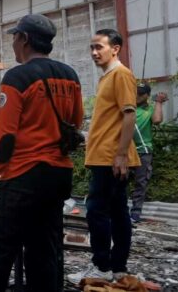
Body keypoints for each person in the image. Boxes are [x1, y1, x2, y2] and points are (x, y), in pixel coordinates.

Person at [0, 14, 84, 292]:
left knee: (1, 250)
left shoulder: (18, 77)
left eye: (14, 37)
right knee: (45, 251)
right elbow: (75, 123)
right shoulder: (70, 76)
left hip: (22, 176)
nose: (13, 43)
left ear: (24, 39)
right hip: (57, 176)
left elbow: (5, 136)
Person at [69, 29, 141, 283]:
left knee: (96, 211)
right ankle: (118, 268)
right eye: (92, 47)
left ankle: (102, 266)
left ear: (115, 49)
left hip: (111, 157)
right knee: (117, 211)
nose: (94, 52)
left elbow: (129, 114)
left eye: (99, 47)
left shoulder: (121, 74)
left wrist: (121, 155)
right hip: (104, 155)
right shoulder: (107, 78)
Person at [130, 84, 167, 223]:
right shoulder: (128, 108)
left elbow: (157, 120)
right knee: (119, 181)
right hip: (126, 151)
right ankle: (118, 212)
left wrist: (158, 102)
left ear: (147, 95)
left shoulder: (150, 109)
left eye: (140, 94)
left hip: (143, 151)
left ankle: (135, 213)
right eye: (135, 93)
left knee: (140, 183)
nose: (137, 96)